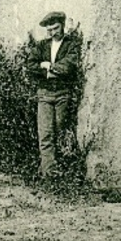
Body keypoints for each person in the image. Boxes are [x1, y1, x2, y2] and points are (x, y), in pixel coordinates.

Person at [27, 10, 80, 183]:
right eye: (49, 30)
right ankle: (49, 176)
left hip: (63, 94)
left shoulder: (71, 44)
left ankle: (64, 170)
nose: (52, 32)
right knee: (45, 134)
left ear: (62, 26)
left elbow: (69, 66)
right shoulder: (42, 46)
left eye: (56, 28)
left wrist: (49, 68)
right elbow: (30, 66)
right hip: (44, 94)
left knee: (61, 131)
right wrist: (44, 70)